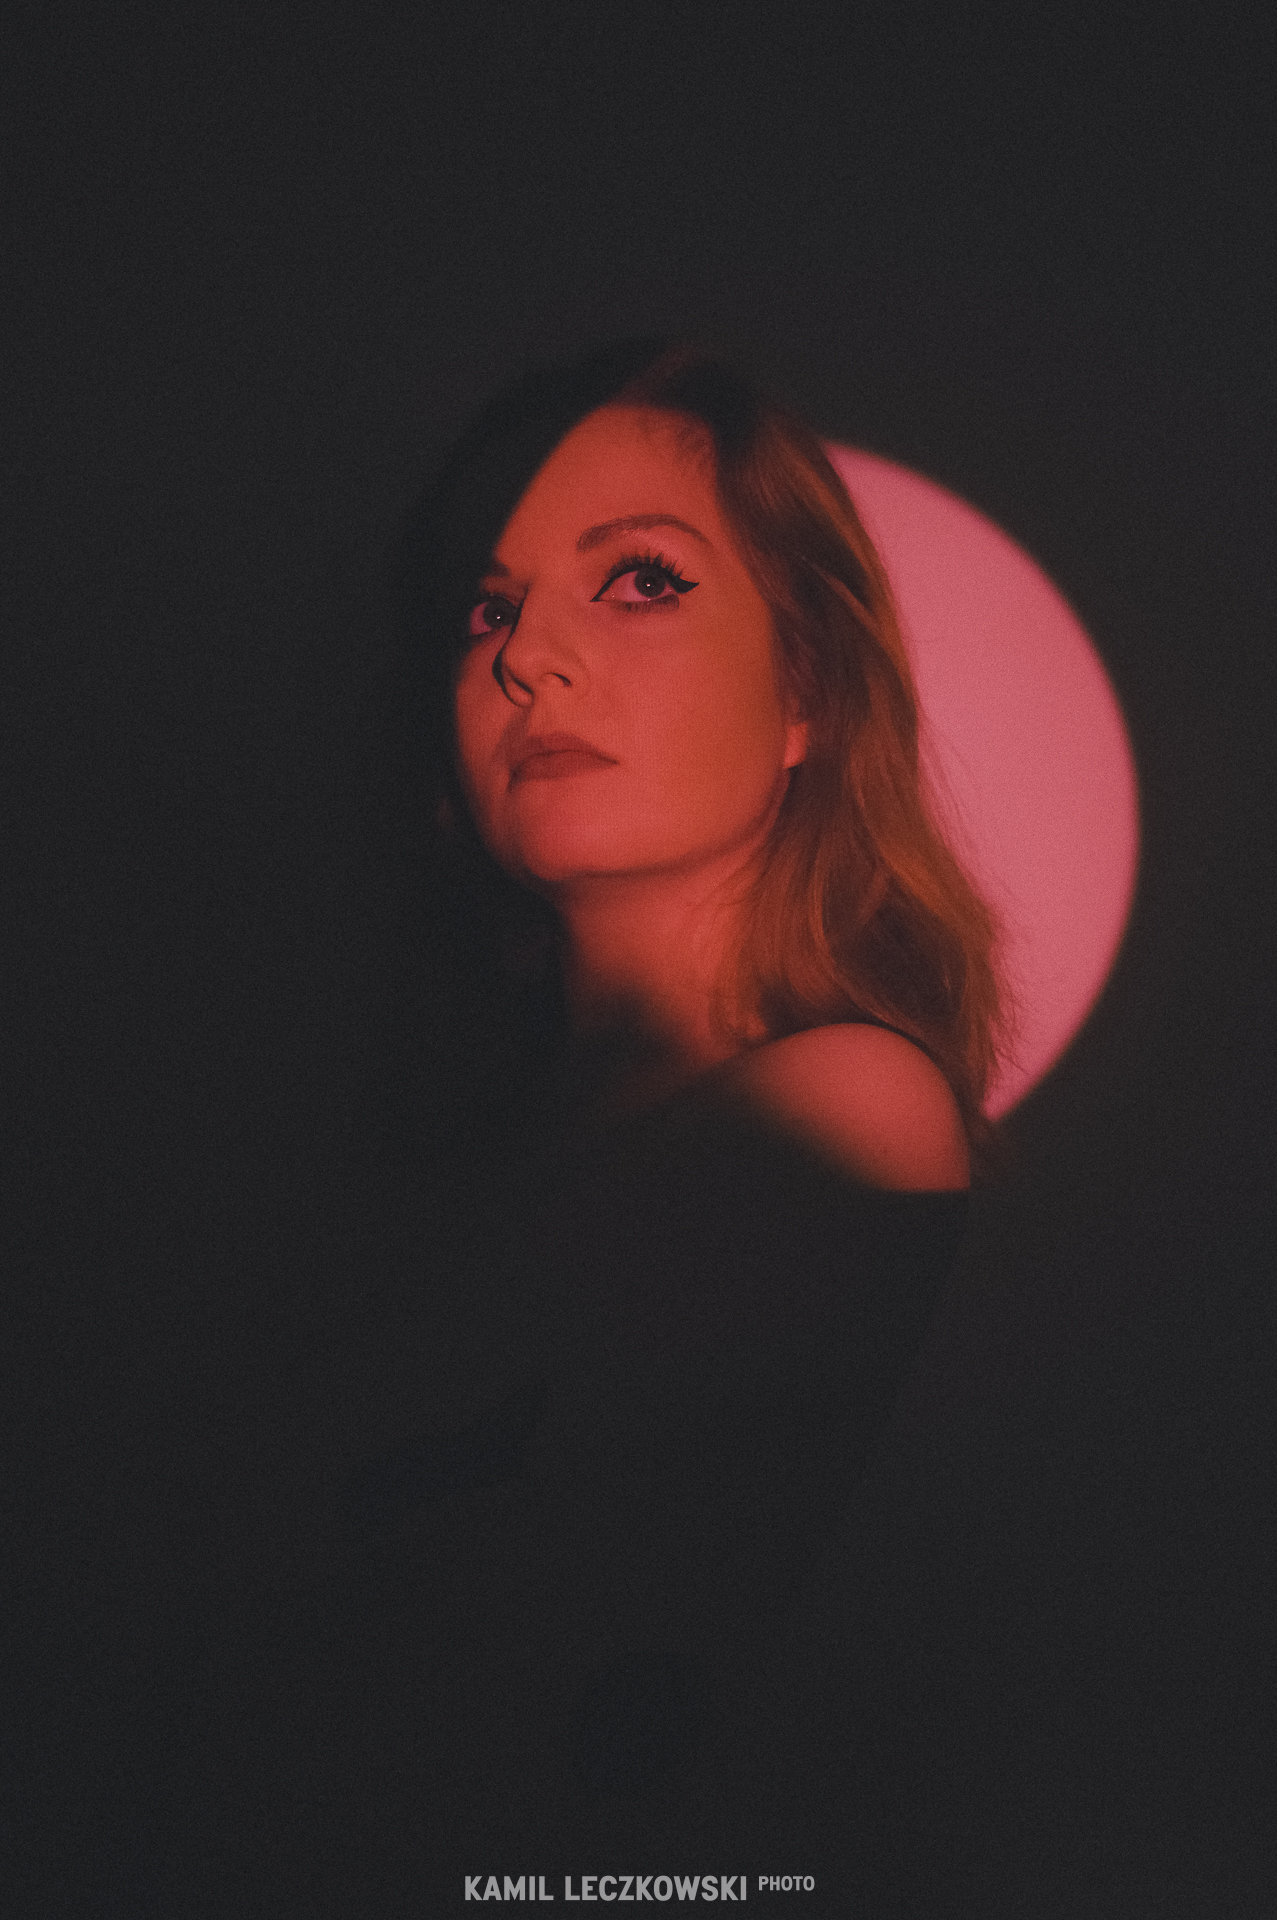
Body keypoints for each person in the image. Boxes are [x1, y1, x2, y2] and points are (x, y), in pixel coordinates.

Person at [327, 339, 1007, 1905]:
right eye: (484, 610)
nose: (528, 659)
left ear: (807, 690)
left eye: (639, 580)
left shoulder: (843, 1109)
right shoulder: (425, 1143)